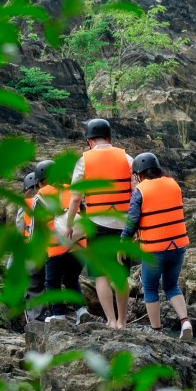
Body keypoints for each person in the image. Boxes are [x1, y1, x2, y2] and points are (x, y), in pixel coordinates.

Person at [63, 118, 134, 328]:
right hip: (124, 225)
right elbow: (136, 192)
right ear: (109, 138)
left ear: (89, 141)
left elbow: (76, 198)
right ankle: (122, 321)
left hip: (97, 224)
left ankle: (110, 320)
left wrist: (69, 223)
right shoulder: (127, 158)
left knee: (101, 275)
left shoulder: (84, 161)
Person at [122, 152, 192, 339]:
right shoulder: (173, 184)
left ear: (139, 174)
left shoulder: (140, 191)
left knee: (150, 287)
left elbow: (132, 221)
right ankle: (185, 321)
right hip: (177, 246)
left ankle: (157, 331)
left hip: (154, 249)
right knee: (172, 286)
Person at [32, 159, 88, 323]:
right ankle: (81, 310)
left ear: (40, 181)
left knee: (52, 282)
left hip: (56, 247)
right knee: (71, 279)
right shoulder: (71, 189)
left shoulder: (41, 195)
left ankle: (58, 315)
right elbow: (83, 213)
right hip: (79, 244)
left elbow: (36, 225)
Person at [16, 168, 48, 320]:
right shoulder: (51, 200)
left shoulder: (25, 205)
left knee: (33, 286)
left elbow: (19, 229)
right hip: (52, 250)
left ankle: (35, 318)